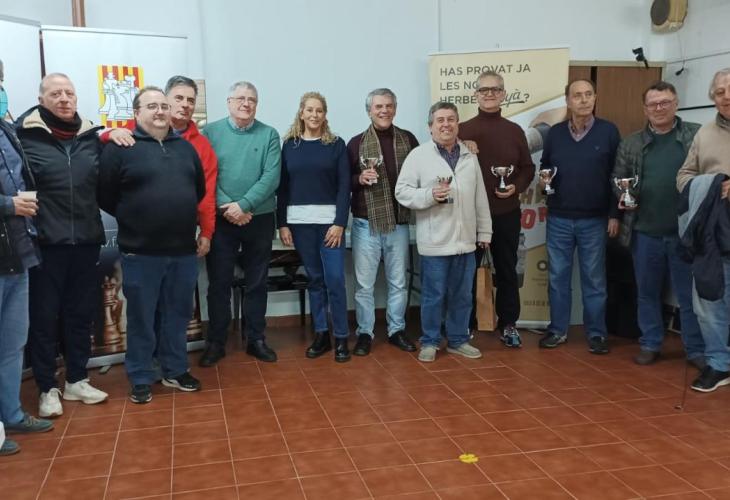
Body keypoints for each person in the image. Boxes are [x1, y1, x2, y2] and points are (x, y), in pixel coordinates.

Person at [98, 86, 205, 404]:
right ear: (136, 113)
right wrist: (138, 216)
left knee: (177, 316)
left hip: (182, 252)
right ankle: (141, 376)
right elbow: (105, 195)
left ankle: (175, 370)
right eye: (152, 106)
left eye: (163, 106)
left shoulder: (186, 149)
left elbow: (198, 190)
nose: (160, 111)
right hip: (140, 252)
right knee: (142, 319)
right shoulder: (121, 148)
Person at [15, 73, 108, 418]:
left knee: (80, 314)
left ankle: (77, 380)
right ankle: (46, 388)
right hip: (45, 244)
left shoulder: (91, 137)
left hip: (86, 242)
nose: (64, 99)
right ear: (41, 100)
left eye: (69, 93)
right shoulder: (23, 137)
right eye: (55, 94)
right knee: (44, 318)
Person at [612, 81, 704, 367]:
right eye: (653, 104)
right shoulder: (631, 143)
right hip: (644, 233)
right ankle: (650, 343)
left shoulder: (696, 135)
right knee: (647, 293)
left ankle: (695, 349)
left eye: (665, 102)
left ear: (676, 104)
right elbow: (617, 178)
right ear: (645, 109)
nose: (659, 108)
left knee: (690, 297)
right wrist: (623, 195)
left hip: (686, 234)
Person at [395, 102, 492, 363]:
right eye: (440, 120)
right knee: (433, 296)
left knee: (463, 296)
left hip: (465, 242)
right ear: (430, 127)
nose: (446, 124)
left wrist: (485, 231)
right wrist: (429, 195)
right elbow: (401, 191)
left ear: (458, 124)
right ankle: (430, 341)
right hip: (434, 242)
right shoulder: (418, 156)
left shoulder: (470, 156)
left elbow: (480, 196)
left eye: (451, 119)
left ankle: (458, 340)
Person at [200, 81, 281, 365]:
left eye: (252, 100)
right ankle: (216, 342)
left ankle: (256, 339)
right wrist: (229, 208)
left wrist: (244, 205)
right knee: (219, 283)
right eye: (240, 98)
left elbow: (271, 177)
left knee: (257, 282)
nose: (246, 104)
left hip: (259, 218)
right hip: (222, 220)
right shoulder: (210, 132)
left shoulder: (269, 134)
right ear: (229, 102)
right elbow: (206, 175)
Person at [538, 79, 620, 354]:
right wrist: (544, 180)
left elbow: (617, 176)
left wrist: (614, 214)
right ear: (568, 101)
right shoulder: (556, 133)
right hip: (559, 218)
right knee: (557, 278)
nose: (583, 100)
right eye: (577, 95)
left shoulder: (608, 131)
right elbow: (545, 165)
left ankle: (596, 334)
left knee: (594, 280)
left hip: (595, 220)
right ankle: (557, 330)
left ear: (595, 98)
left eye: (588, 94)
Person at [103, 75, 218, 258]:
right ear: (166, 100)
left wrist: (206, 231)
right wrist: (108, 134)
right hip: (140, 248)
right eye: (179, 98)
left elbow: (205, 194)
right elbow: (105, 192)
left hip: (182, 245)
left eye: (190, 100)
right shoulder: (130, 132)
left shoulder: (201, 146)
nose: (185, 105)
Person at [460, 70, 535, 347]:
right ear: (475, 94)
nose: (489, 94)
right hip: (471, 216)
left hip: (506, 213)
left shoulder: (514, 131)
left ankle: (509, 324)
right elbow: (443, 162)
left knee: (506, 270)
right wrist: (460, 146)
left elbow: (528, 168)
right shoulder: (461, 130)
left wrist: (515, 186)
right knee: (467, 272)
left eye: (495, 89)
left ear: (503, 94)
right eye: (484, 89)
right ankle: (465, 325)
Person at [278, 92, 351, 362]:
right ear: (301, 113)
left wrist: (340, 223)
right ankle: (321, 335)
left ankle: (341, 337)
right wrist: (282, 224)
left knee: (335, 280)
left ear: (325, 114)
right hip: (300, 225)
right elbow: (282, 188)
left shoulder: (336, 145)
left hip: (331, 226)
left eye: (319, 110)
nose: (314, 115)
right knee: (315, 280)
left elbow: (344, 187)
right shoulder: (290, 145)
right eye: (309, 110)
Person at [0, 86, 54, 455]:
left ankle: (12, 414)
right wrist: (8, 204)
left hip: (18, 252)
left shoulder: (7, 130)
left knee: (12, 343)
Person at [347, 88, 418, 356]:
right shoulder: (355, 143)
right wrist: (359, 179)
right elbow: (344, 182)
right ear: (369, 111)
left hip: (399, 223)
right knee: (364, 286)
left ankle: (396, 330)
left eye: (389, 105)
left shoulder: (408, 139)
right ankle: (365, 333)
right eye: (378, 106)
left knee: (398, 282)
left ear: (395, 109)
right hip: (365, 224)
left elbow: (421, 172)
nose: (384, 110)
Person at [676, 67, 730, 393]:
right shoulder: (704, 134)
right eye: (720, 91)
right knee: (709, 303)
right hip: (712, 234)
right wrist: (712, 186)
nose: (726, 96)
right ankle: (719, 364)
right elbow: (684, 176)